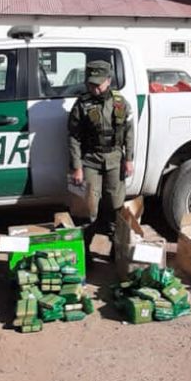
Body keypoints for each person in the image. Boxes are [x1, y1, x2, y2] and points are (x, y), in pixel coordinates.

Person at [67, 60, 135, 251]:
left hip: (115, 158)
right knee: (87, 208)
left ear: (108, 80)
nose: (94, 88)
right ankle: (83, 251)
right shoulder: (82, 104)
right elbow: (74, 137)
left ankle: (118, 250)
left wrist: (129, 159)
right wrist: (77, 167)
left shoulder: (120, 103)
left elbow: (129, 133)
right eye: (90, 84)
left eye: (98, 84)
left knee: (116, 206)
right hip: (90, 160)